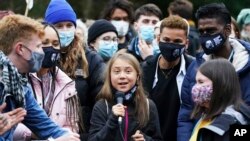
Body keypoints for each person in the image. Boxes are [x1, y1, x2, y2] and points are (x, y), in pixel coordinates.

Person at [0, 14, 80, 141]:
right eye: (38, 46)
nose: (43, 52)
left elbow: (45, 127)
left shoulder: (20, 85)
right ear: (21, 49)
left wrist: (69, 137)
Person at [178, 3, 250, 141]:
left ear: (227, 30)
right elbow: (187, 114)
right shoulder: (195, 67)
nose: (205, 36)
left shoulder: (247, 63)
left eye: (211, 31)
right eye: (201, 32)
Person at [44, 0, 106, 136]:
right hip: (47, 131)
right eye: (59, 26)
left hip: (82, 132)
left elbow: (101, 98)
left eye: (69, 25)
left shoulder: (90, 59)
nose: (65, 30)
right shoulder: (41, 57)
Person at [88, 52, 163, 141]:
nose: (122, 76)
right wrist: (112, 120)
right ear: (109, 77)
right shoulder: (102, 106)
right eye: (116, 71)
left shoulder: (148, 105)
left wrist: (146, 139)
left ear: (137, 77)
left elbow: (157, 138)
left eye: (128, 71)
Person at [142, 15, 194, 141]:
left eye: (177, 42)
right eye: (166, 40)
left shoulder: (195, 70)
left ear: (186, 44)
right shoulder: (143, 70)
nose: (171, 45)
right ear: (158, 39)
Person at [189, 59, 250, 141]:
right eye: (196, 82)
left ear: (220, 85)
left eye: (201, 82)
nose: (195, 87)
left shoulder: (231, 125)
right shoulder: (207, 117)